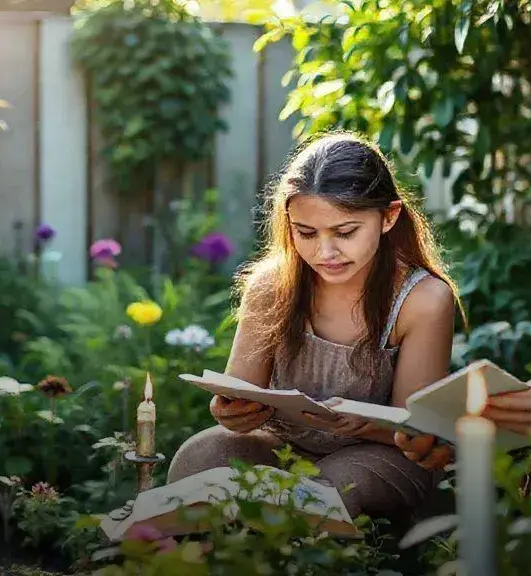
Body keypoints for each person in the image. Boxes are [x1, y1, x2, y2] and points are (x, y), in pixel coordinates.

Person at [167, 132, 464, 521]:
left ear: (388, 217)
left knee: (325, 490)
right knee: (201, 455)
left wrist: (365, 423)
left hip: (382, 455)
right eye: (306, 233)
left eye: (345, 232)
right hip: (283, 445)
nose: (325, 253)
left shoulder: (422, 299)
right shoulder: (272, 284)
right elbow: (238, 391)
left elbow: (419, 433)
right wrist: (230, 411)